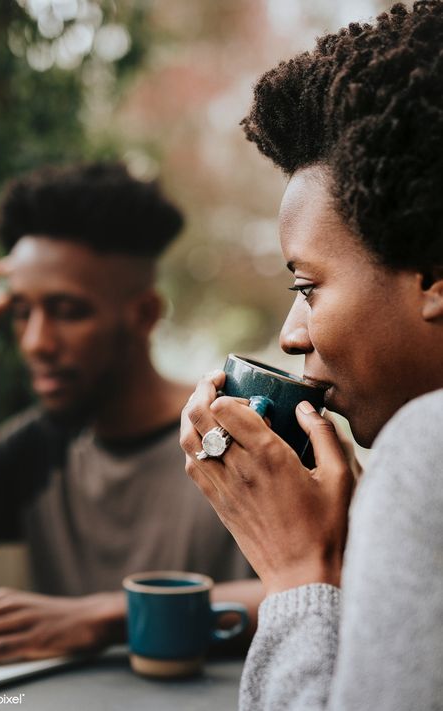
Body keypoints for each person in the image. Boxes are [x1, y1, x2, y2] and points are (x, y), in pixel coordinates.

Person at [181, 2, 443, 709]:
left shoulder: (425, 449)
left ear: (432, 275)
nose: (293, 333)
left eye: (307, 285)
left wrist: (298, 571)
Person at [0, 162, 260, 667]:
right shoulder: (29, 452)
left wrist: (107, 616)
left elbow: (325, 588)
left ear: (144, 314)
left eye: (67, 310)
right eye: (21, 312)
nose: (36, 342)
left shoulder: (234, 432)